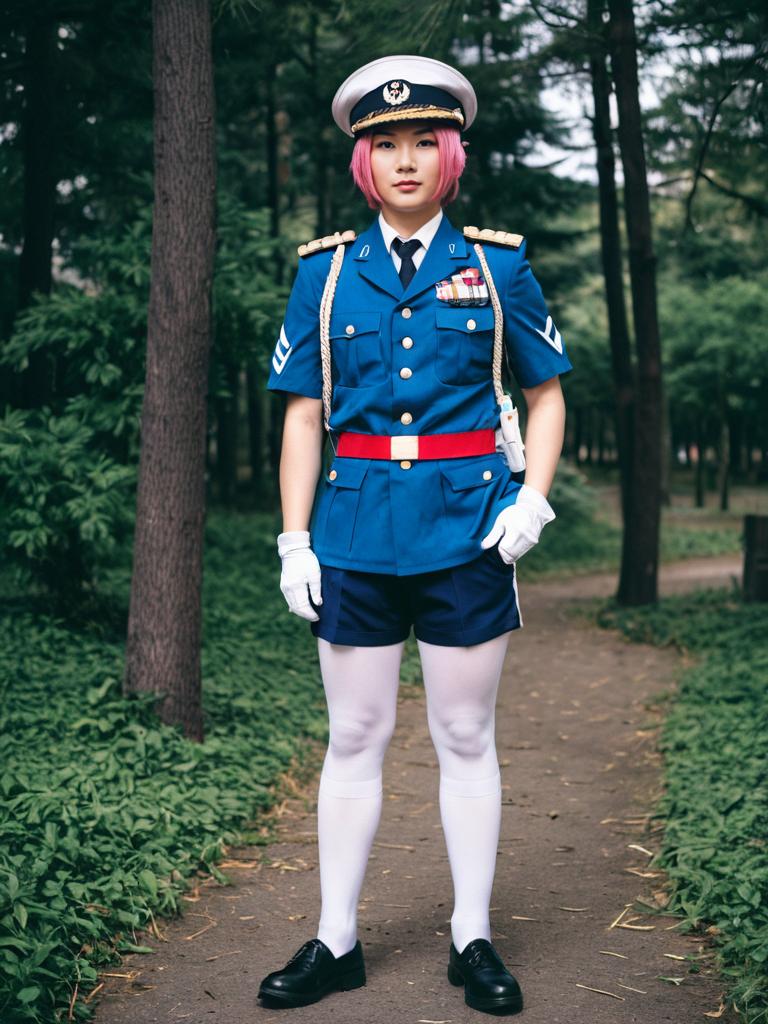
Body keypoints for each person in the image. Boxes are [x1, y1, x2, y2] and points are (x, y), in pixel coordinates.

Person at [258, 54, 573, 1016]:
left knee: (464, 734)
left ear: (449, 155)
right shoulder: (323, 276)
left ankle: (471, 939)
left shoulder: (495, 264)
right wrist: (293, 539)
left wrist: (533, 500)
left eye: (420, 144)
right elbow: (305, 415)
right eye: (383, 145)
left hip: (469, 527)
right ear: (364, 162)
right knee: (354, 733)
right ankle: (337, 940)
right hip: (352, 531)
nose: (403, 161)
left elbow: (546, 392)